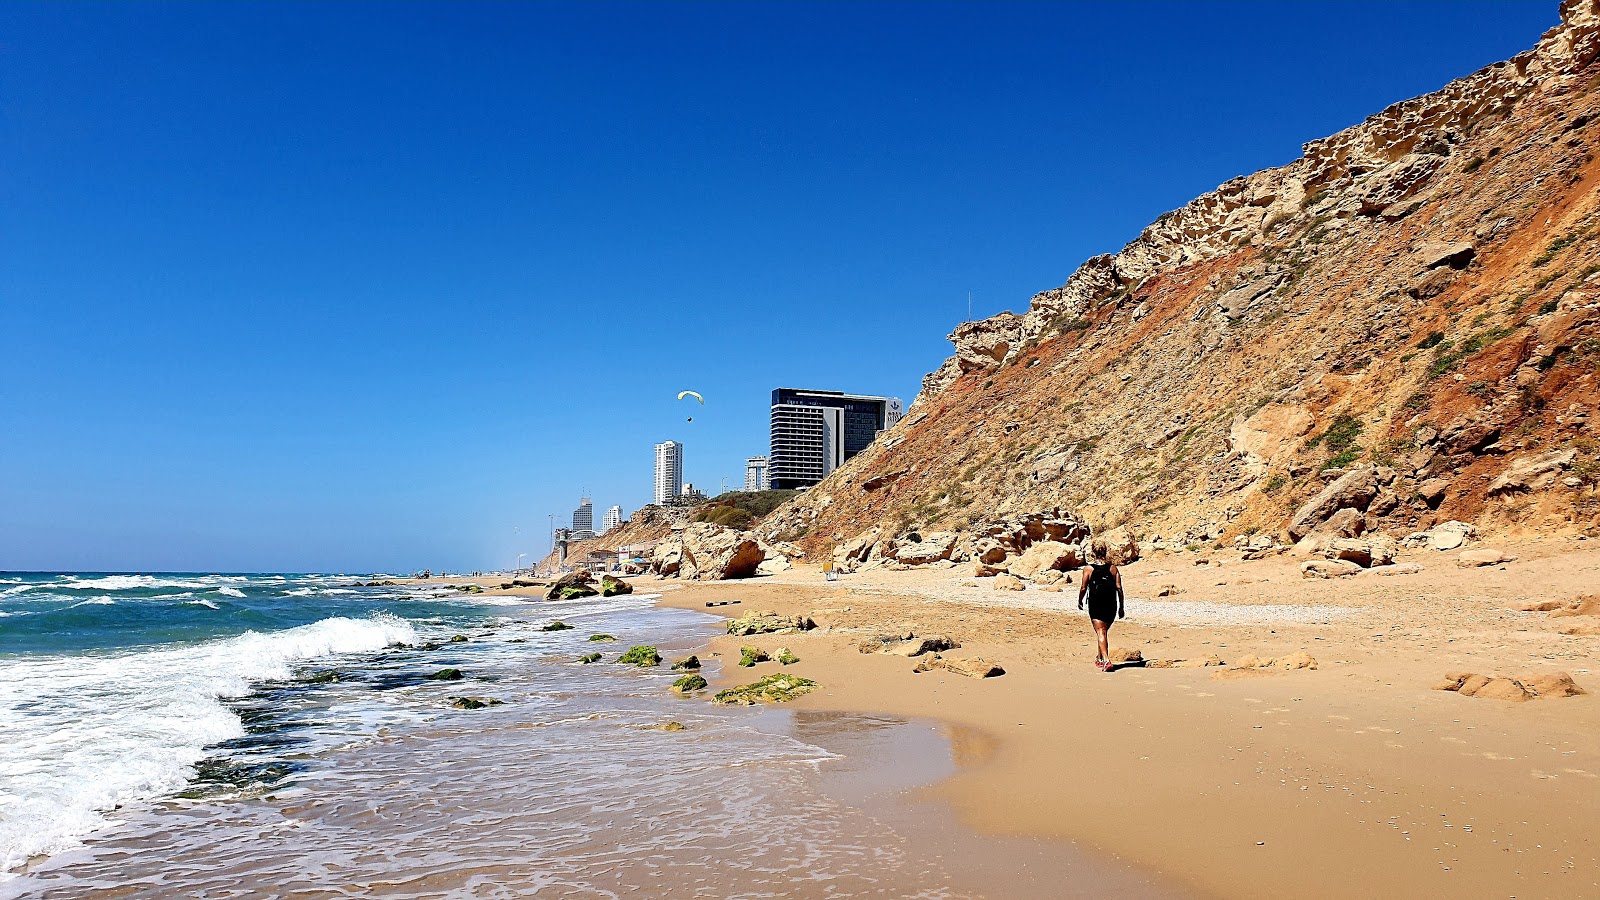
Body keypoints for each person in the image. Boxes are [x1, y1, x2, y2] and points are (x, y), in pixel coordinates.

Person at [1077, 537, 1125, 672]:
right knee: (1103, 632)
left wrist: (1080, 600)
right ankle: (1099, 659)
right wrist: (1121, 607)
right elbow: (1119, 588)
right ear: (1105, 552)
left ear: (1093, 552)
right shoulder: (1113, 569)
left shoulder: (1088, 569)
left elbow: (1083, 587)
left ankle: (1106, 660)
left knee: (1101, 632)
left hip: (1096, 603)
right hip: (1111, 604)